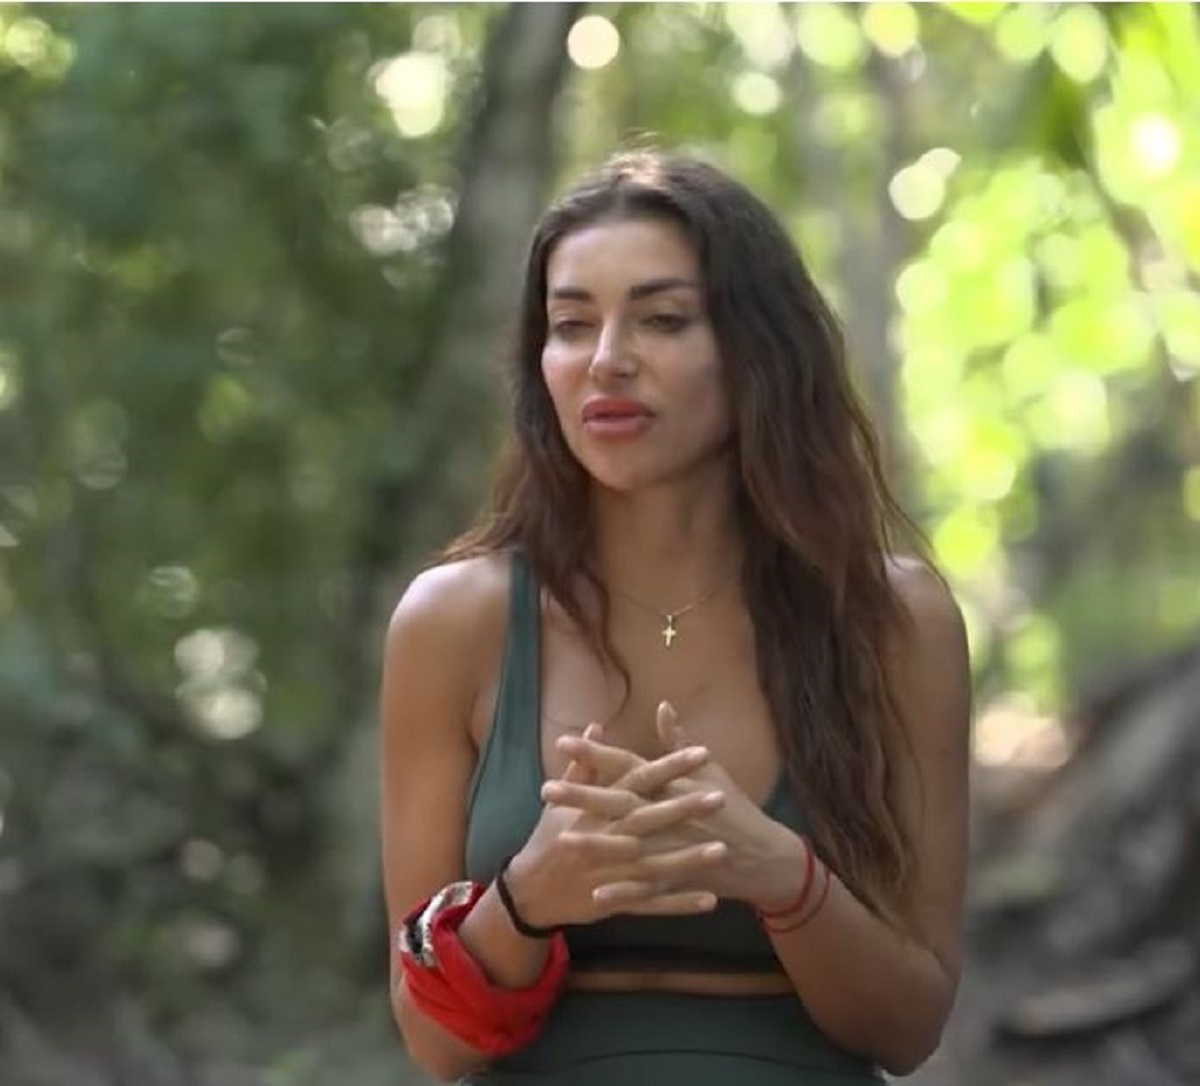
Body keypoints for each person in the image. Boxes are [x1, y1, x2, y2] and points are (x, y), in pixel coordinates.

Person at [379, 150, 971, 1086]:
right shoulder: (454, 622)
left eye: (661, 319)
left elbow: (910, 1028)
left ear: (758, 350)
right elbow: (433, 1043)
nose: (607, 359)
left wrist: (783, 877)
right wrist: (527, 899)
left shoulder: (892, 619)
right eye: (572, 325)